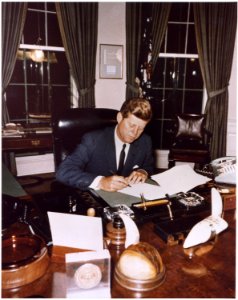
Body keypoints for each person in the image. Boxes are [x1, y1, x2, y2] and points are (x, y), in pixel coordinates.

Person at [56, 98, 154, 192]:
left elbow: (148, 166)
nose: (134, 133)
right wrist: (101, 182)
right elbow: (63, 172)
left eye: (141, 128)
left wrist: (142, 172)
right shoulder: (93, 140)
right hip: (95, 200)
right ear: (119, 118)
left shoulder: (145, 141)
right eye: (131, 125)